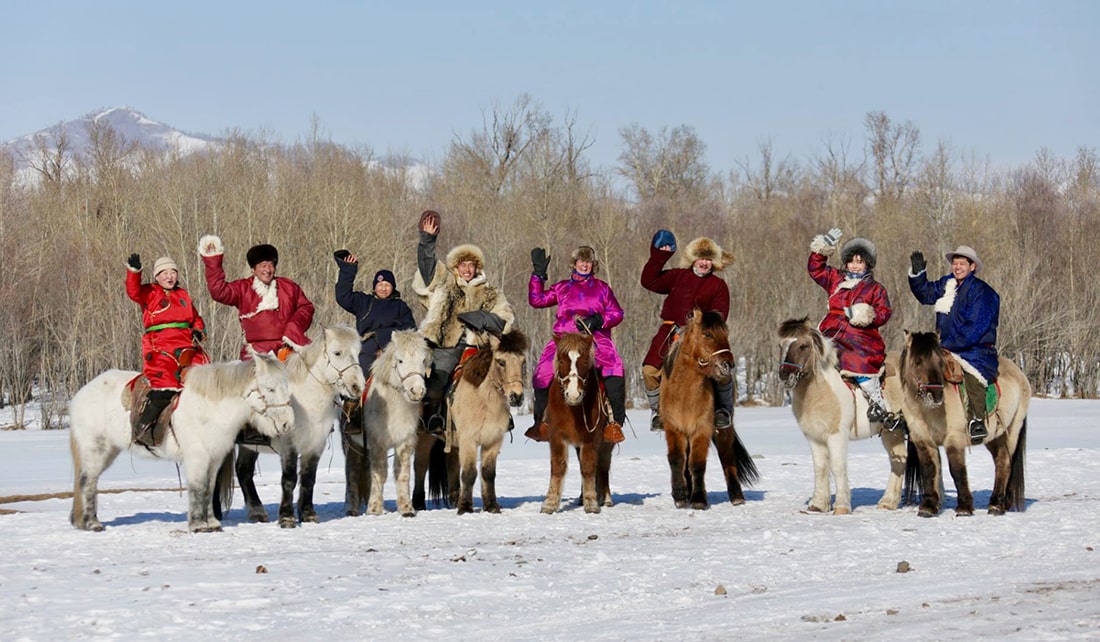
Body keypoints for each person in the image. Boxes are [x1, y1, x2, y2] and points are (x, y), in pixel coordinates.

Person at [412, 210, 515, 434]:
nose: (467, 269)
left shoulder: (490, 292)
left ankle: (503, 414)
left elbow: (505, 319)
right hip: (447, 346)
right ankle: (433, 419)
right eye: (463, 265)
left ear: (477, 268)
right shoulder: (445, 284)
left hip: (478, 347)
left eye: (471, 265)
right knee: (437, 384)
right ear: (456, 267)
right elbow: (428, 269)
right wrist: (427, 240)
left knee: (502, 374)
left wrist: (483, 318)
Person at [525, 245, 627, 444]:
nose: (584, 265)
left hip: (593, 337)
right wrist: (538, 274)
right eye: (581, 261)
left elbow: (617, 313)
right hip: (564, 337)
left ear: (593, 264)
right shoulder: (563, 287)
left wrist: (598, 320)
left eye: (588, 261)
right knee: (542, 372)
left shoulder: (603, 288)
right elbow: (537, 300)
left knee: (614, 367)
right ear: (574, 263)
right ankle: (541, 422)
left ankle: (614, 422)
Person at [641, 229, 734, 432]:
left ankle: (723, 410)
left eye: (709, 259)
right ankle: (658, 411)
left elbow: (720, 316)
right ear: (693, 259)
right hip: (670, 332)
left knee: (723, 370)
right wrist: (660, 255)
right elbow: (649, 281)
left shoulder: (718, 285)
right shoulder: (677, 276)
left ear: (714, 263)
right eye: (701, 258)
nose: (704, 263)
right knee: (649, 371)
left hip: (703, 336)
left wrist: (700, 322)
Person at [808, 227, 899, 429]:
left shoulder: (875, 288)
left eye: (860, 262)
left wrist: (864, 314)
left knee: (855, 359)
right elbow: (816, 270)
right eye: (852, 261)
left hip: (860, 336)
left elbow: (884, 312)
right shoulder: (835, 279)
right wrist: (822, 250)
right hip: (831, 331)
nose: (855, 266)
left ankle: (876, 401)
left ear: (867, 264)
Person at [909, 245, 1000, 443]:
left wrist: (945, 344)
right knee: (921, 367)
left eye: (962, 263)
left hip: (974, 349)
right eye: (955, 263)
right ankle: (916, 412)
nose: (957, 267)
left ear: (972, 266)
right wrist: (918, 275)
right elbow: (925, 294)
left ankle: (976, 420)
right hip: (945, 346)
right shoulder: (947, 284)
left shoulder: (983, 293)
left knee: (973, 375)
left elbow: (974, 328)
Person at [125, 253, 210, 444]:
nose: (170, 276)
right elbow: (133, 291)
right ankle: (144, 426)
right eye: (164, 273)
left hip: (186, 346)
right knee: (165, 386)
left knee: (206, 382)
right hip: (160, 346)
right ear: (156, 276)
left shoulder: (183, 295)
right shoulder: (150, 292)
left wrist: (198, 331)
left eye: (173, 272)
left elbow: (196, 318)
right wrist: (134, 272)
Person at [197, 235, 315, 360]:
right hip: (255, 353)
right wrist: (213, 261)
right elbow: (218, 291)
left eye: (271, 265)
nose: (268, 270)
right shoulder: (243, 288)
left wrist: (294, 328)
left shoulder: (289, 287)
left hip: (287, 350)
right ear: (253, 269)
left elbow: (306, 308)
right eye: (263, 265)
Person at [333, 250, 417, 377]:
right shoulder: (364, 302)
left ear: (393, 287)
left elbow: (410, 328)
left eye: (387, 285)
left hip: (393, 347)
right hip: (367, 346)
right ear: (374, 287)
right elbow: (343, 297)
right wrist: (348, 270)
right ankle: (356, 394)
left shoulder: (400, 305)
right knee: (358, 370)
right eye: (380, 284)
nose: (383, 288)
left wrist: (382, 335)